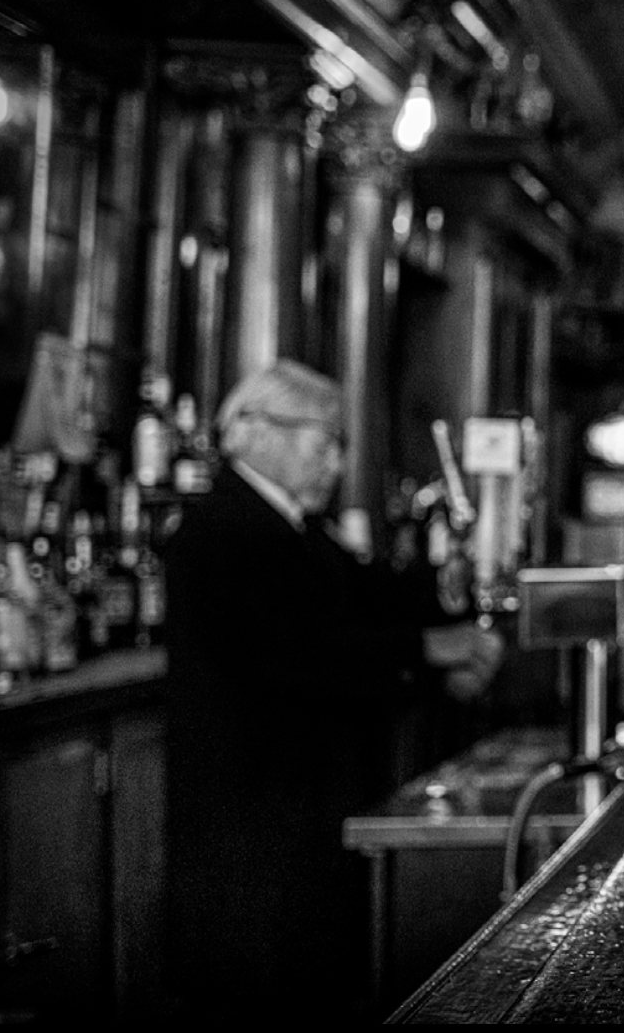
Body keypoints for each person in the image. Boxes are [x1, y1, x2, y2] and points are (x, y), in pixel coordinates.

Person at [163, 360, 505, 1017]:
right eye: (325, 443)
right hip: (251, 823)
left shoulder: (292, 526)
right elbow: (296, 652)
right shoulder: (220, 529)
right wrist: (431, 649)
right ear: (256, 431)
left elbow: (371, 598)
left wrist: (451, 612)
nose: (336, 462)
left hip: (300, 810)